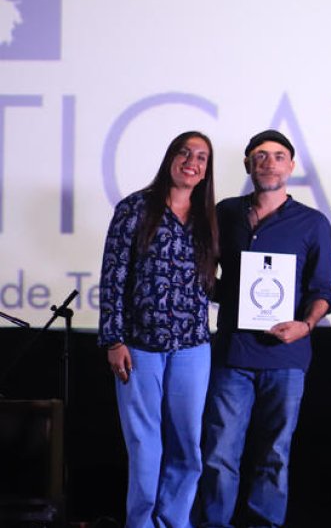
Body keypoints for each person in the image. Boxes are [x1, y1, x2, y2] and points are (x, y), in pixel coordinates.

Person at [198, 129, 331, 528]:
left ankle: (264, 524)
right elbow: (208, 271)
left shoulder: (312, 222)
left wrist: (306, 325)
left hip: (286, 356)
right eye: (260, 156)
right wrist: (223, 292)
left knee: (275, 454)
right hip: (233, 354)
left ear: (291, 166)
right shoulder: (225, 213)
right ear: (248, 165)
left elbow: (322, 289)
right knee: (219, 452)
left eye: (278, 156)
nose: (269, 163)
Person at [99, 131, 217, 528]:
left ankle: (173, 521)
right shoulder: (135, 208)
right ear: (170, 158)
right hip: (139, 346)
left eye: (201, 157)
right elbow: (113, 276)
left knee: (187, 446)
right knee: (144, 445)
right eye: (184, 152)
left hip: (193, 347)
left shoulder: (207, 217)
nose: (192, 162)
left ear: (206, 171)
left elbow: (210, 282)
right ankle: (142, 523)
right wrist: (113, 339)